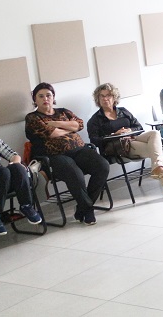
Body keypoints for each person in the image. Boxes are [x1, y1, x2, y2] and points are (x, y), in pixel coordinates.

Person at [25, 83, 110, 225]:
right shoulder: (32, 118)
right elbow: (52, 134)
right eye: (41, 96)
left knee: (103, 166)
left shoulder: (63, 112)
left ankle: (82, 208)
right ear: (35, 99)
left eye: (48, 95)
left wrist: (55, 123)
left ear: (53, 97)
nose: (45, 98)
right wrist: (70, 128)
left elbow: (79, 124)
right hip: (54, 156)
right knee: (74, 173)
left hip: (79, 150)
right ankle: (88, 209)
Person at [86, 83, 163, 200]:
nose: (105, 98)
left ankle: (159, 169)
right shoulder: (95, 120)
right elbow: (94, 141)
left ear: (114, 97)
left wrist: (130, 130)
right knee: (156, 149)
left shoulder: (123, 111)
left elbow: (139, 127)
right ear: (98, 99)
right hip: (118, 147)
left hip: (133, 138)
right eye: (102, 96)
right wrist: (114, 135)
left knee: (155, 133)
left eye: (108, 95)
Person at [0, 130, 43, 235]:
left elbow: (14, 155)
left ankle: (26, 206)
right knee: (3, 172)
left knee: (17, 167)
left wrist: (15, 162)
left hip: (1, 182)